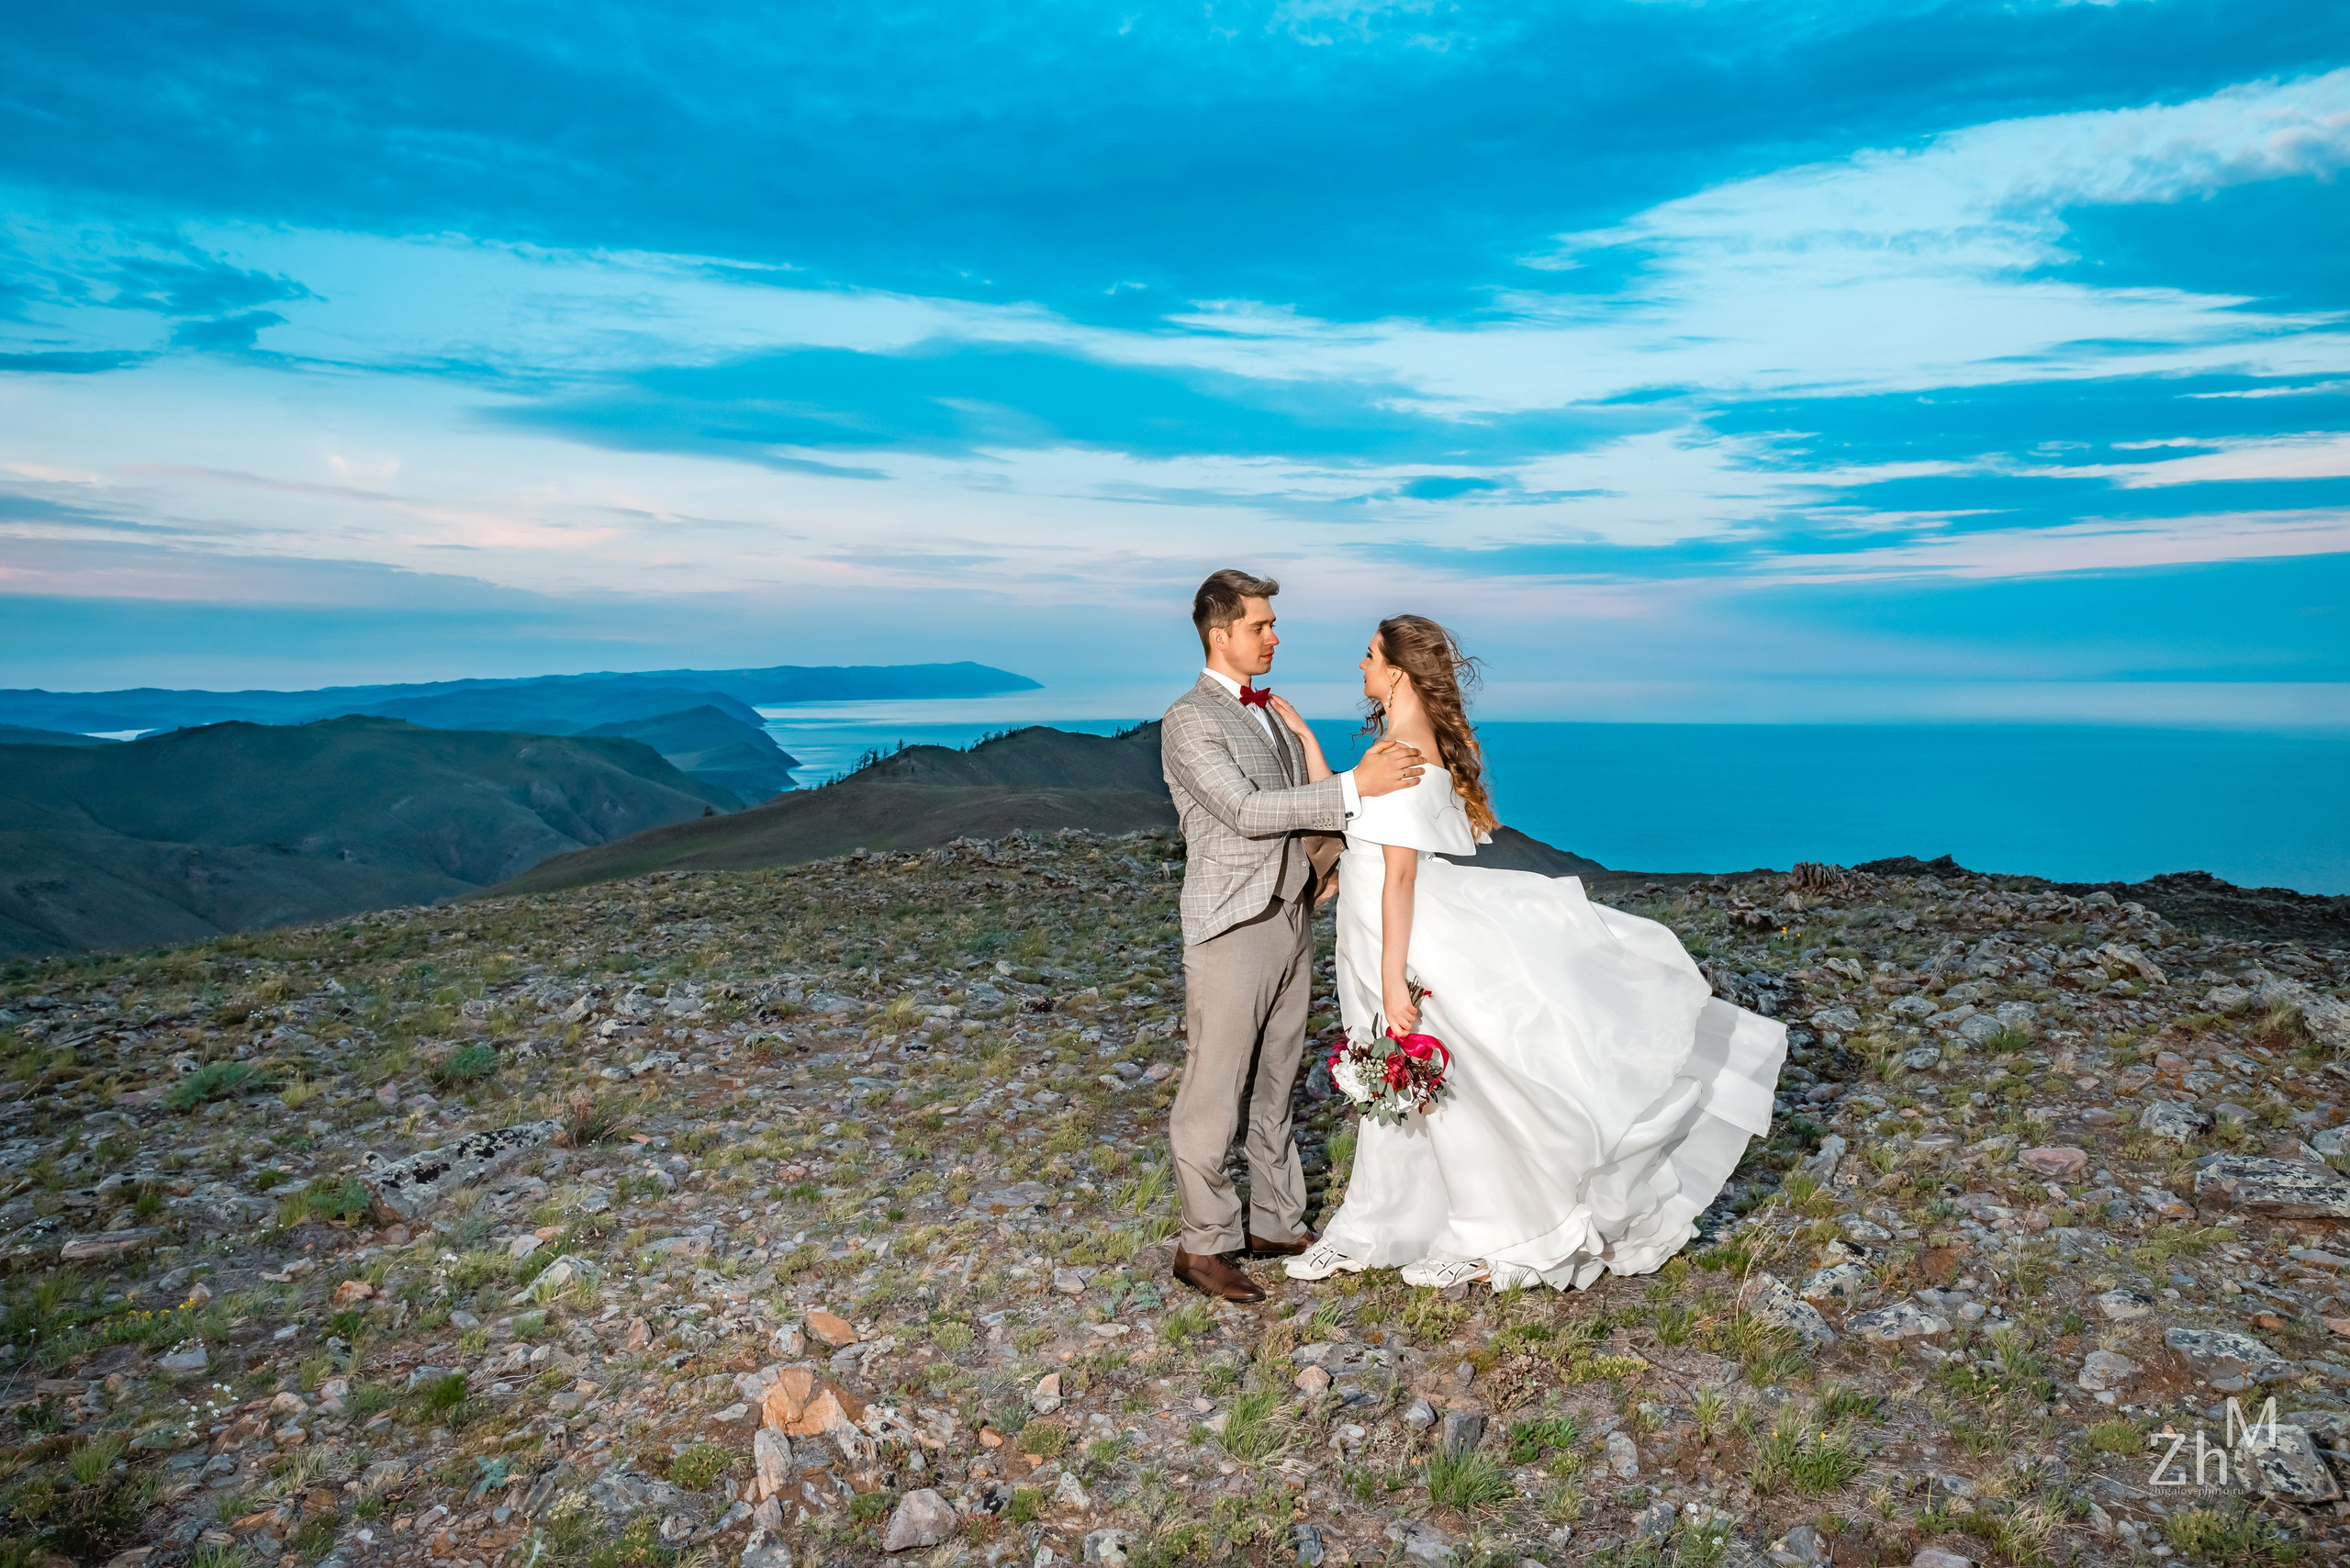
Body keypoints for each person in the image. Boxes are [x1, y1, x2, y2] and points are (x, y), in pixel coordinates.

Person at [1264, 615, 1787, 1290]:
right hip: (1376, 929)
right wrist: (1307, 740)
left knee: (1450, 1083)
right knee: (1403, 1081)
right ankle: (1382, 1222)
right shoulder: (1405, 744)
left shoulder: (1398, 749)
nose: (1360, 666)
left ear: (1395, 671)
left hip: (1393, 935)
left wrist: (1394, 980)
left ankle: (1487, 1230)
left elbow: (1397, 873)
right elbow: (1347, 814)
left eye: (1368, 657)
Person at [1159, 570, 1429, 1304]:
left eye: (1272, 624)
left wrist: (1325, 865)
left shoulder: (1272, 714)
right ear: (1221, 636)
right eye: (1260, 626)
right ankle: (1204, 1243)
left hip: (1288, 915)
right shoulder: (1188, 720)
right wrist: (1354, 787)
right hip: (1230, 929)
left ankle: (1277, 1220)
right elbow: (1246, 811)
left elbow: (1294, 814)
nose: (1274, 637)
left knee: (1277, 1083)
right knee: (1214, 1090)